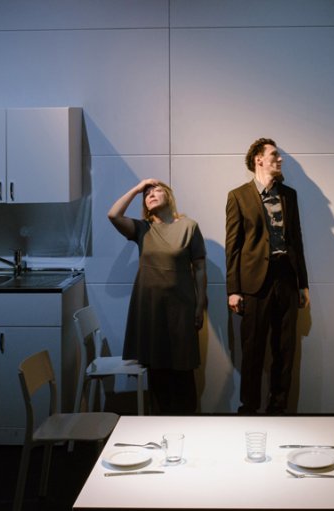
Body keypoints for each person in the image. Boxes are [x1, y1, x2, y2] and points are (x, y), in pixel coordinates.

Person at [225, 138, 310, 415]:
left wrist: (303, 284)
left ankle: (278, 409)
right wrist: (233, 289)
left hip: (286, 279)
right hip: (253, 283)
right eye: (274, 155)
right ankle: (248, 409)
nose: (280, 159)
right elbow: (233, 246)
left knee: (285, 349)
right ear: (258, 159)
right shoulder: (238, 196)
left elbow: (296, 241)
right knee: (252, 349)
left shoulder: (289, 195)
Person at [108, 179, 207, 415]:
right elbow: (113, 215)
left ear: (169, 196)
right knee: (157, 371)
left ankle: (187, 422)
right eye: (147, 194)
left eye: (156, 190)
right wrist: (137, 188)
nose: (150, 194)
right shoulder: (143, 229)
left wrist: (200, 303)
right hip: (150, 309)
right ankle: (160, 422)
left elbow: (200, 267)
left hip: (181, 309)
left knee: (183, 370)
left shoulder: (189, 226)